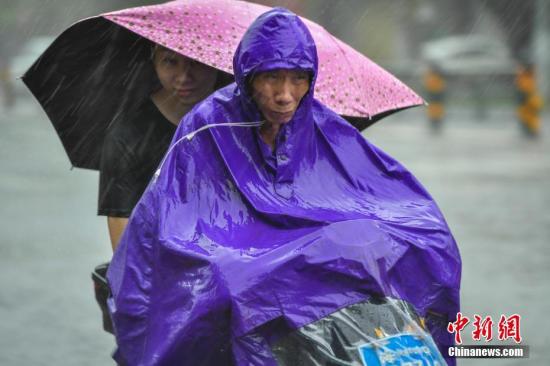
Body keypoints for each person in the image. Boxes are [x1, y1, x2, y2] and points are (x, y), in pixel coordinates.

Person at [107, 8, 461, 366]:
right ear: (248, 76)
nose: (285, 95)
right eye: (272, 78)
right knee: (228, 284)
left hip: (305, 256)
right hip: (232, 250)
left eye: (298, 78)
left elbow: (381, 191)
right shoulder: (206, 125)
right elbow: (177, 220)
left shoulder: (322, 124)